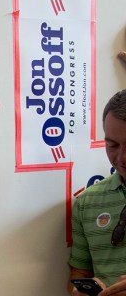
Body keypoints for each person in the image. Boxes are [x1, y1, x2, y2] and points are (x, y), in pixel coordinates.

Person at [69, 89, 126, 295]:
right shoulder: (86, 203)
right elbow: (79, 274)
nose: (122, 157)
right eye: (112, 145)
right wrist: (78, 291)